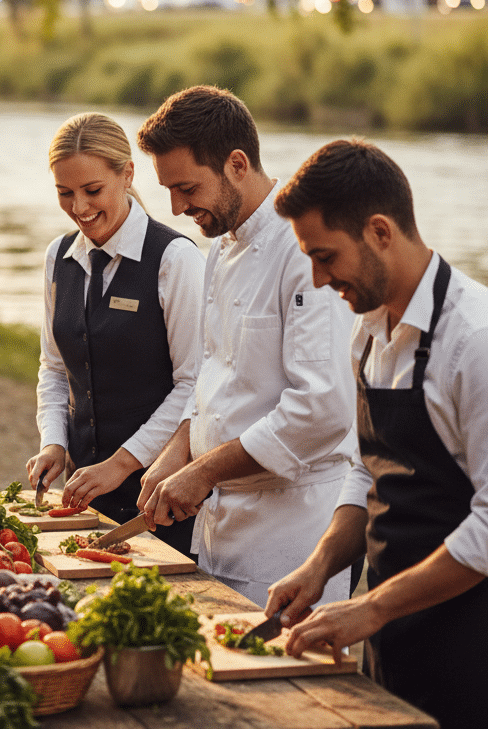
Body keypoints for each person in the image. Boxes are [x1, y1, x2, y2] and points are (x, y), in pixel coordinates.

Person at [265, 139, 488, 729]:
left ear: (380, 231)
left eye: (325, 256)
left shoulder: (475, 341)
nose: (317, 279)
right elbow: (366, 468)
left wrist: (370, 608)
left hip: (471, 645)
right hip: (393, 634)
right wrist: (319, 567)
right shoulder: (366, 332)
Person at [134, 86, 356, 607]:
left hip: (291, 530)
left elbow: (323, 407)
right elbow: (213, 378)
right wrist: (177, 453)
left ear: (237, 164)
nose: (176, 207)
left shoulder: (304, 252)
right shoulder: (220, 247)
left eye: (187, 187)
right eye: (168, 190)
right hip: (220, 523)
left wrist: (204, 470)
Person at [25, 112, 204, 551]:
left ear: (127, 175)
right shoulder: (57, 257)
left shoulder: (175, 259)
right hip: (83, 495)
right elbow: (54, 368)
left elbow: (194, 386)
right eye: (64, 193)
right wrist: (53, 443)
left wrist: (122, 463)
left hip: (160, 502)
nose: (79, 208)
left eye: (92, 191)